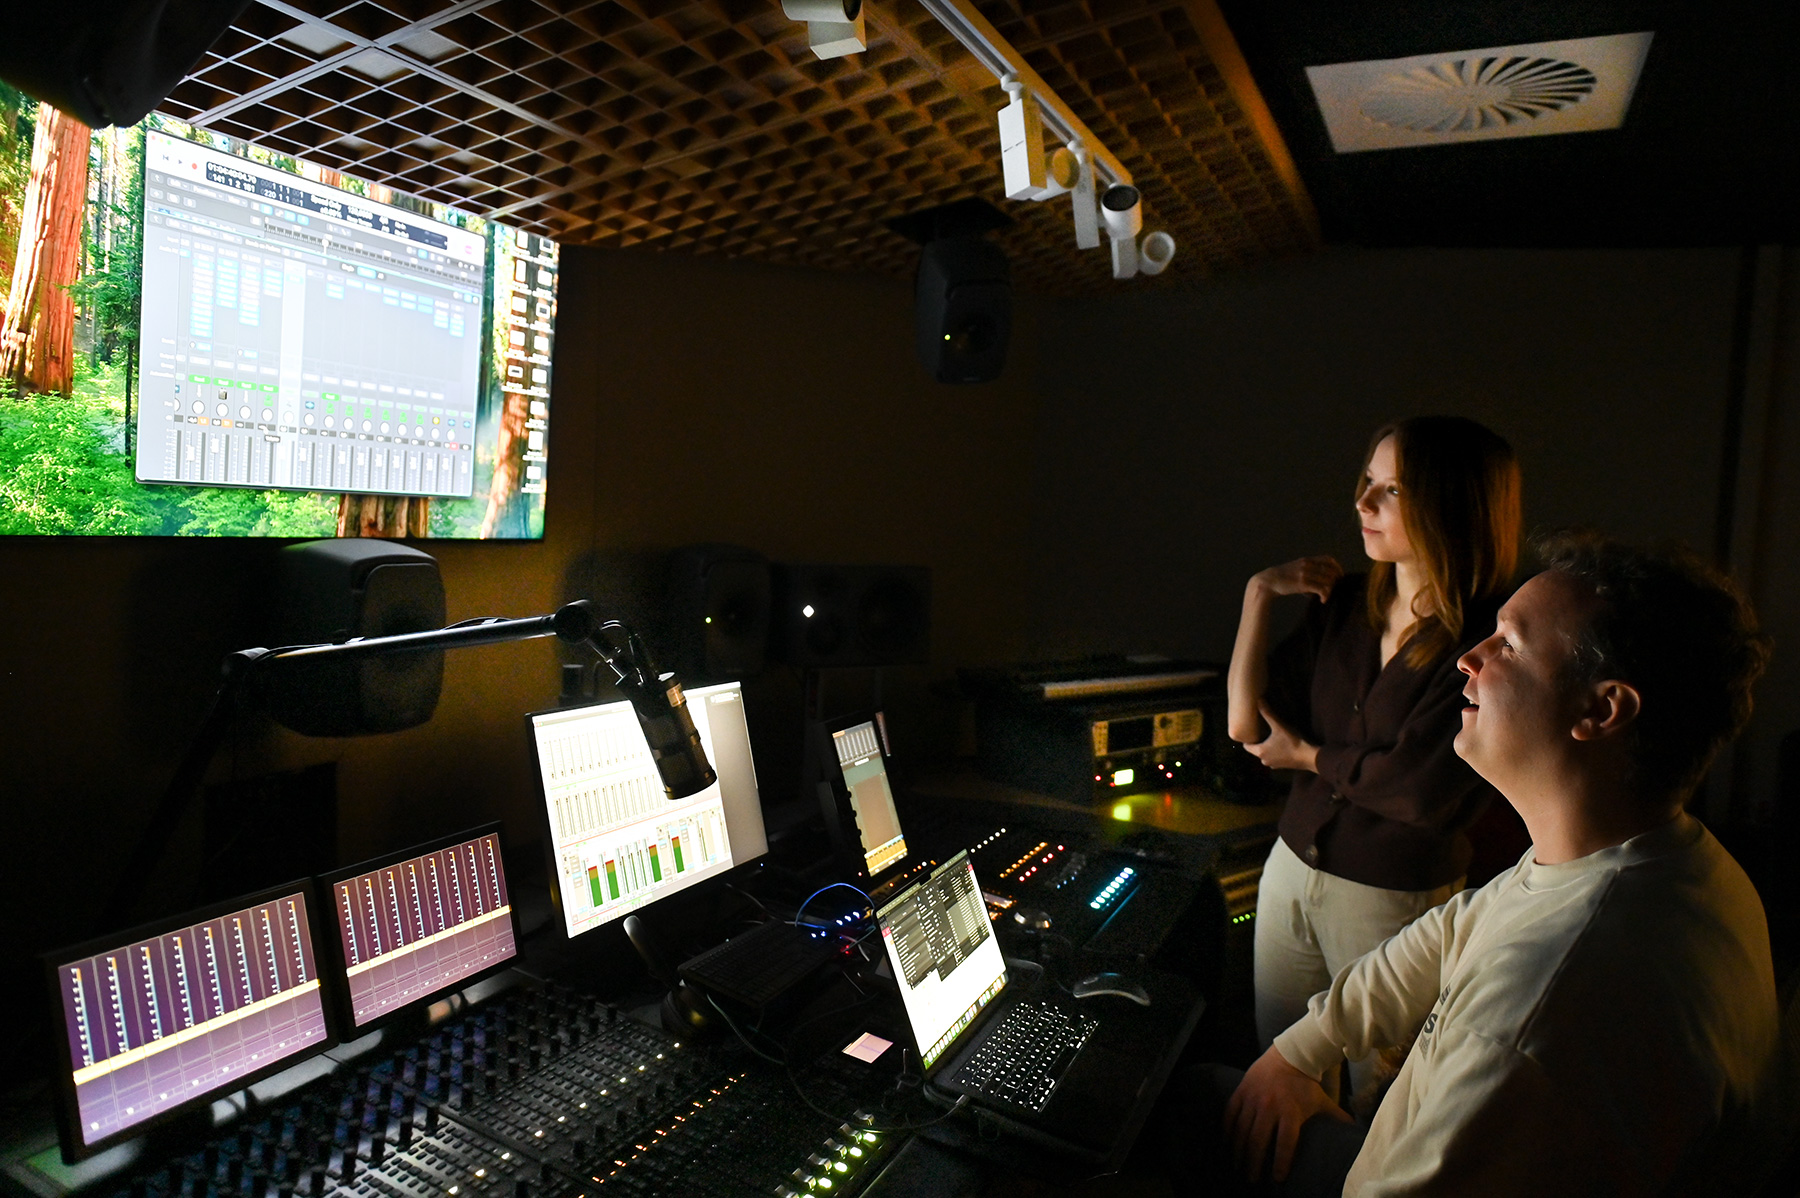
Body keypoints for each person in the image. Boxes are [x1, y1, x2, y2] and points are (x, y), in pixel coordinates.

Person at [1223, 533, 1780, 1196]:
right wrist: (1300, 1049)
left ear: (1602, 709)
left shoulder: (1534, 1017)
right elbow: (1454, 927)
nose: (1468, 659)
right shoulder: (1659, 852)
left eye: (1508, 645)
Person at [1227, 417, 1521, 1090]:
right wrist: (1258, 594)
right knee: (1277, 1073)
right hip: (1289, 870)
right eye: (1367, 483)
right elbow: (1247, 725)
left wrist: (1310, 757)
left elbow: (1420, 792)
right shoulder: (1344, 602)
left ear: (1453, 506)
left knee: (1380, 1093)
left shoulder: (1485, 638)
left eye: (1393, 490)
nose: (1363, 505)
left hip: (1394, 897)